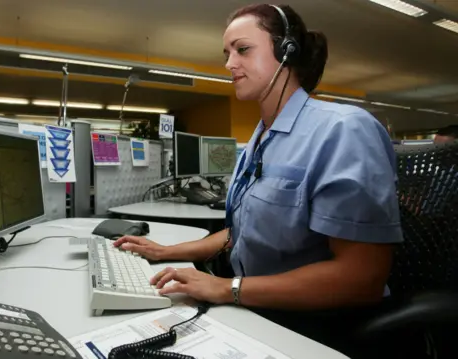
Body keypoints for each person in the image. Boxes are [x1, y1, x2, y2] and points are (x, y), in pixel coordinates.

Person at [114, 3, 403, 356]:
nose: (229, 64)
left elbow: (362, 278)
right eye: (227, 53)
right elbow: (243, 233)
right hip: (256, 309)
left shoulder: (342, 129)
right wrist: (165, 251)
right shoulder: (261, 139)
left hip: (316, 327)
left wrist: (225, 288)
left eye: (243, 49)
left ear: (286, 52)